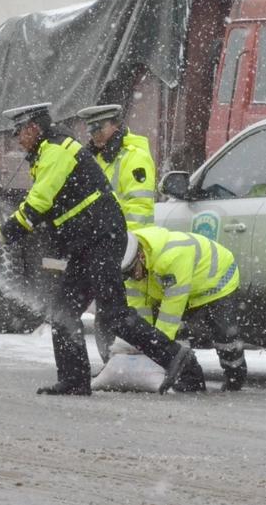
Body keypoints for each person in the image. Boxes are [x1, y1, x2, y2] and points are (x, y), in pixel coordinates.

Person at [0, 102, 198, 396]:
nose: (16, 138)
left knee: (114, 314)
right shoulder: (47, 151)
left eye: (18, 131)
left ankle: (176, 357)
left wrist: (1, 235)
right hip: (85, 241)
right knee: (63, 309)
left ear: (34, 128)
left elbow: (39, 203)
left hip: (101, 238)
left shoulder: (56, 151)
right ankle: (74, 380)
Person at [120, 226, 248, 391]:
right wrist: (142, 343)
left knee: (225, 338)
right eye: (126, 275)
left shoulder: (172, 257)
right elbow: (139, 310)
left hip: (217, 283)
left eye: (132, 272)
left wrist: (157, 350)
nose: (132, 277)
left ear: (141, 256)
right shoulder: (132, 266)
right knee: (170, 334)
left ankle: (235, 377)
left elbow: (170, 314)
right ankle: (189, 379)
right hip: (184, 287)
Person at [76, 103, 156, 363]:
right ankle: (115, 360)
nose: (94, 133)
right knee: (108, 306)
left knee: (131, 305)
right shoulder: (96, 156)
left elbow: (139, 209)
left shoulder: (134, 157)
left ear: (115, 125)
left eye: (98, 127)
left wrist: (129, 250)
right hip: (103, 242)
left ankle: (137, 360)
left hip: (125, 245)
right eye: (90, 128)